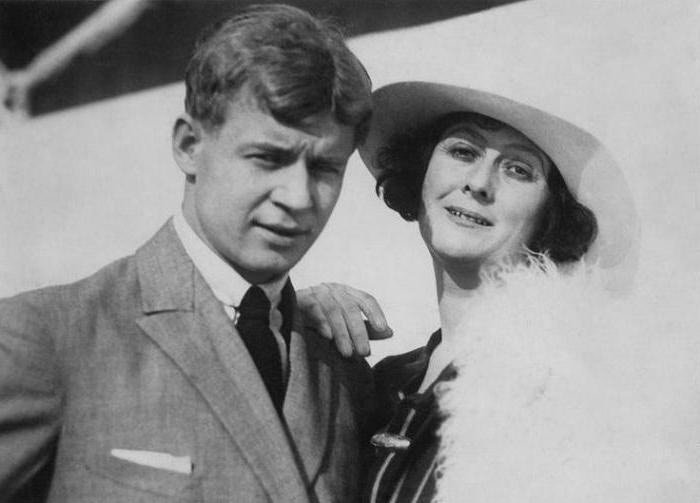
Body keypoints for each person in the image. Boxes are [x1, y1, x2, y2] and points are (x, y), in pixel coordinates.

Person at [0, 4, 374, 502]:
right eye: (269, 158)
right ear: (189, 145)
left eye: (325, 168)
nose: (299, 197)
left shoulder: (341, 369)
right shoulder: (49, 338)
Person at [297, 80, 640, 502]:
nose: (479, 183)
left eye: (518, 170)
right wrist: (294, 329)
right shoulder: (387, 382)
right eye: (463, 151)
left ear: (551, 213)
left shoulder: (561, 387)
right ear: (421, 170)